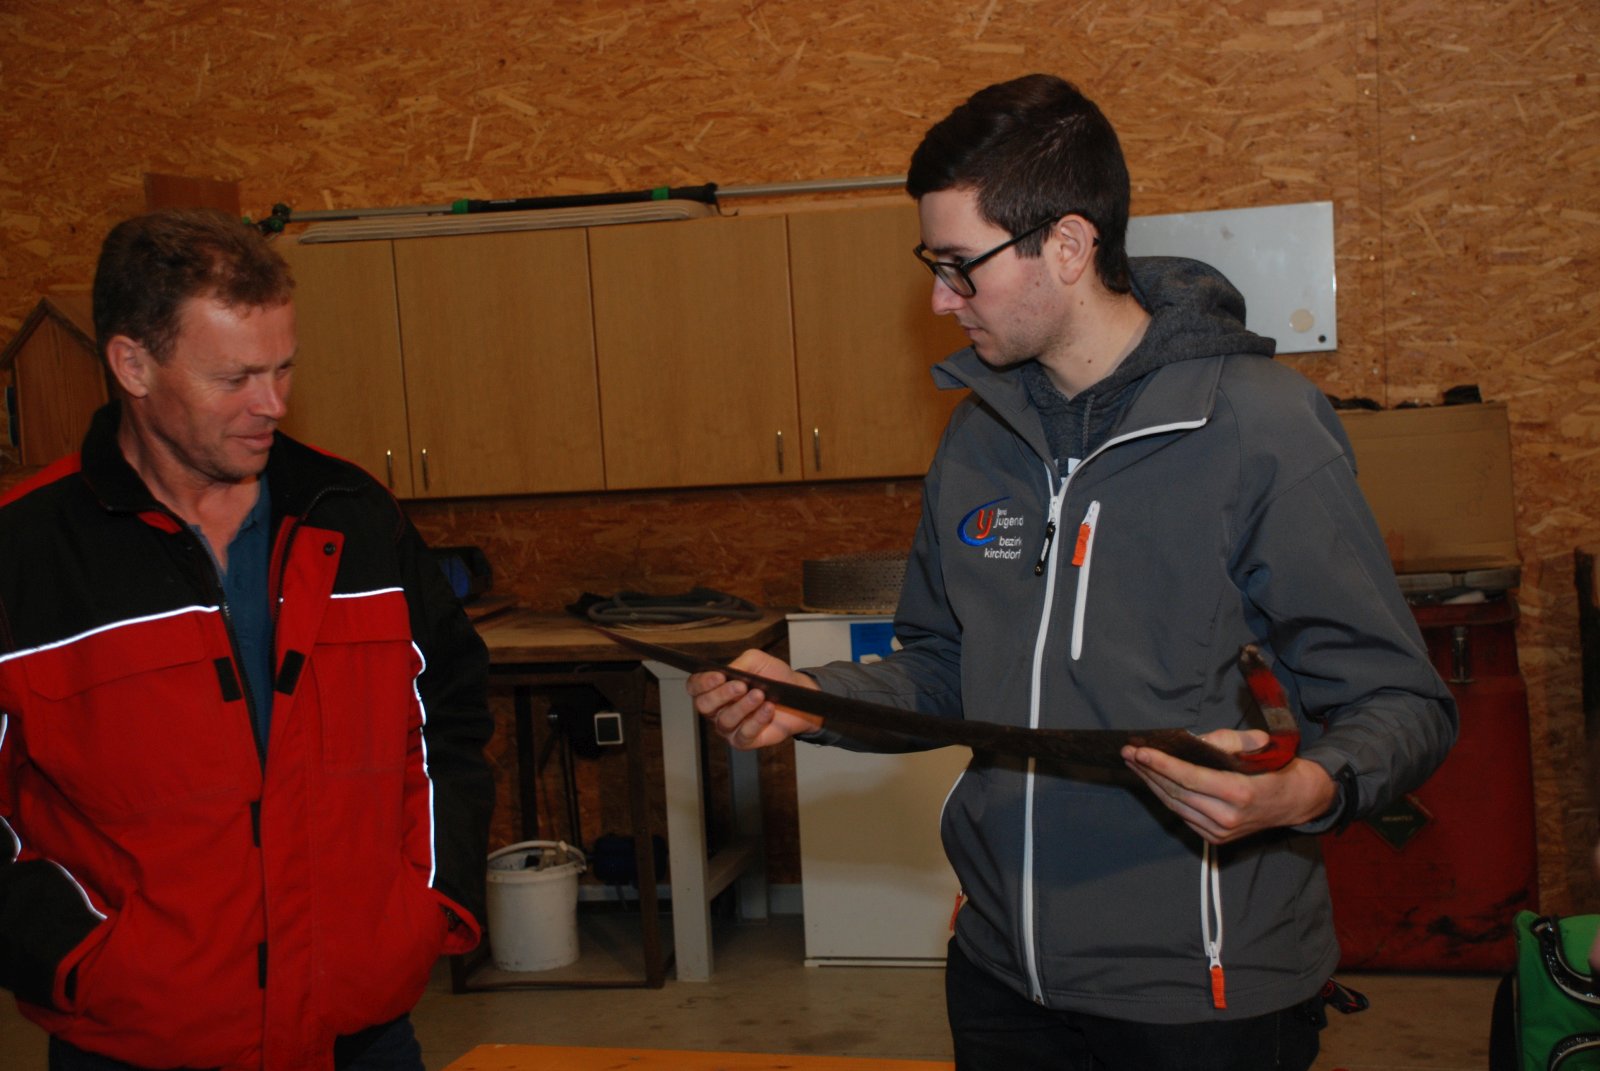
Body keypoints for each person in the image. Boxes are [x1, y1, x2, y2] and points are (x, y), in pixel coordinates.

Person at [690, 74, 1457, 1071]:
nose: (939, 298)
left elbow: (1399, 699)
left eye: (960, 266)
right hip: (1001, 973)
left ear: (1067, 244)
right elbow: (945, 668)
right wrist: (810, 698)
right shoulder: (979, 437)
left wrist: (1304, 790)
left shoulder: (1259, 427)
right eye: (932, 266)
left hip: (1201, 991)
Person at [0, 209, 494, 1070]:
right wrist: (70, 952)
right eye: (235, 377)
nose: (274, 404)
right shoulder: (24, 553)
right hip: (135, 1039)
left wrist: (430, 899)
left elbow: (450, 712)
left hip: (361, 1033)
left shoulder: (352, 515)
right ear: (132, 365)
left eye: (283, 367)